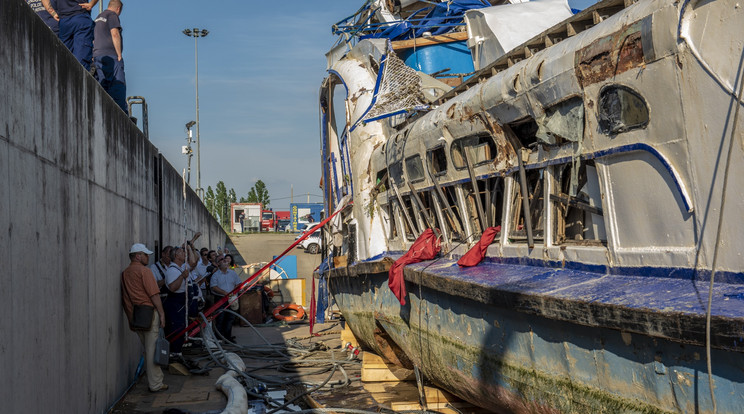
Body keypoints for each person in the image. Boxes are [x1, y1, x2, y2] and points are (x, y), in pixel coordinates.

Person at [121, 243, 168, 392]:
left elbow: (126, 299)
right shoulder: (145, 271)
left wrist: (130, 319)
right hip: (149, 313)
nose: (148, 257)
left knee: (148, 350)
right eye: (146, 255)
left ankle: (155, 381)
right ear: (138, 256)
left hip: (136, 315)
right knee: (152, 350)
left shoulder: (125, 273)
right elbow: (154, 294)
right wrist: (161, 313)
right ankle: (155, 384)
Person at [163, 235, 200, 355]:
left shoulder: (182, 267)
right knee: (176, 330)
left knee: (182, 329)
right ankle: (174, 355)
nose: (184, 253)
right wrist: (182, 277)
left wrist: (190, 247)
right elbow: (173, 287)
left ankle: (178, 353)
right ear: (176, 256)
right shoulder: (172, 270)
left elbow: (194, 263)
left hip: (183, 305)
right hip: (175, 306)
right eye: (181, 252)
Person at [42, 0, 98, 70]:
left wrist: (52, 12)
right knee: (81, 60)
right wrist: (91, 4)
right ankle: (79, 78)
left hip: (64, 21)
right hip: (80, 16)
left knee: (65, 58)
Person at [92, 0, 127, 114]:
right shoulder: (112, 15)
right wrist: (119, 55)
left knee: (103, 85)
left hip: (97, 56)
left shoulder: (98, 17)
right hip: (111, 55)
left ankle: (103, 112)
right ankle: (120, 114)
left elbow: (93, 38)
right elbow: (115, 33)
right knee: (117, 84)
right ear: (118, 9)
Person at [210, 256, 241, 342]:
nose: (224, 261)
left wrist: (233, 292)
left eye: (224, 259)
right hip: (221, 299)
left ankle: (228, 337)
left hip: (231, 298)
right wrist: (225, 293)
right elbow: (214, 287)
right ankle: (219, 337)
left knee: (230, 318)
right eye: (221, 260)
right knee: (220, 318)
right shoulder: (215, 275)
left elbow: (238, 283)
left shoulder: (232, 273)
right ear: (218, 264)